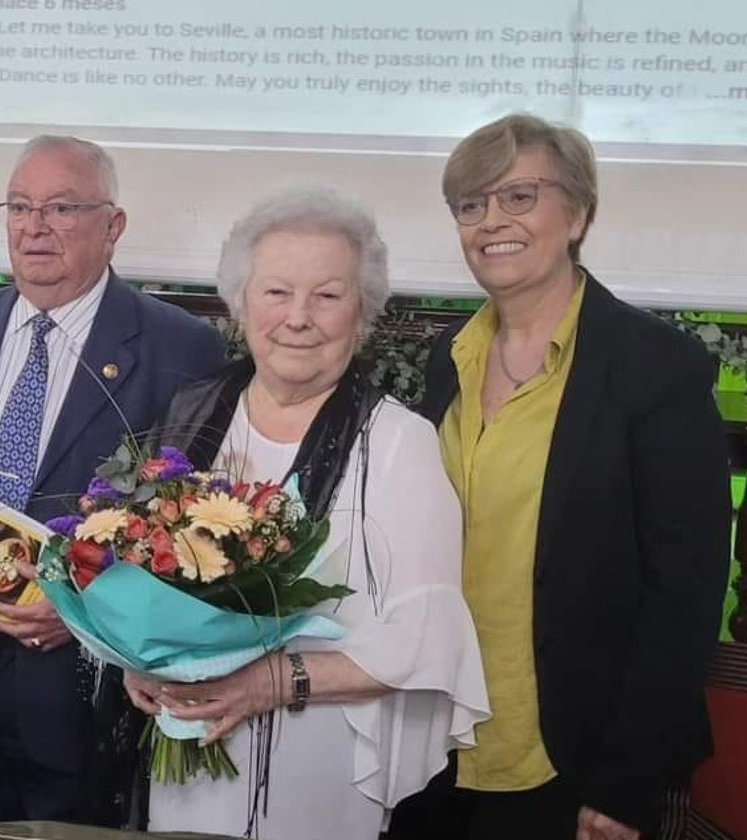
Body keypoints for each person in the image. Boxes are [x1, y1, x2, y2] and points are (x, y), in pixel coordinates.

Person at [390, 113, 730, 840]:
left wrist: (623, 785)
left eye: (519, 197)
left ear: (576, 213)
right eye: (471, 205)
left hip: (576, 759)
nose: (491, 222)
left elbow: (686, 592)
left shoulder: (653, 365)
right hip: (434, 746)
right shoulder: (451, 353)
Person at [124, 187, 490, 840]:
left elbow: (424, 638)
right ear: (240, 304)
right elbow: (137, 578)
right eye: (276, 292)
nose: (300, 317)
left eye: (328, 295)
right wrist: (137, 659)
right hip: (186, 748)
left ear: (363, 314)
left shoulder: (398, 442)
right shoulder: (189, 416)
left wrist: (270, 681)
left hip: (315, 768)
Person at [0, 135, 225, 826]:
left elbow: (189, 520)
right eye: (19, 206)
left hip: (86, 683)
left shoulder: (177, 347)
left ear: (114, 226)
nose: (34, 226)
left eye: (62, 207)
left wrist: (85, 610)